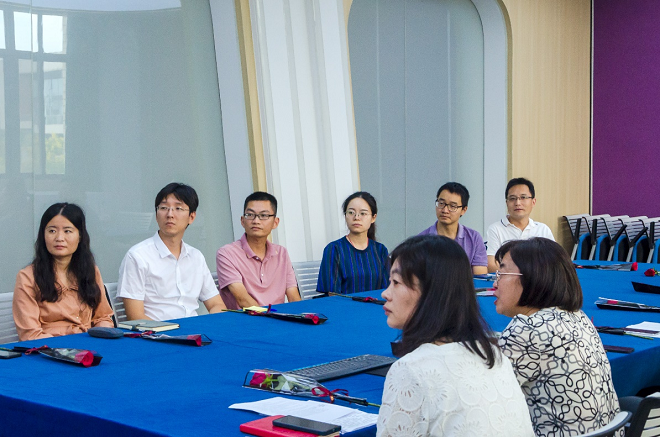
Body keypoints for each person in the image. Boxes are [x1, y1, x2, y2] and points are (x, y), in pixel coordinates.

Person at [377, 235, 533, 437]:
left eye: (396, 282)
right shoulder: (494, 355)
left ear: (432, 292)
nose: (385, 293)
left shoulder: (411, 369)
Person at [494, 238, 621, 436]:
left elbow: (485, 396)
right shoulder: (578, 316)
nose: (495, 283)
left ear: (531, 278)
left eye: (501, 273)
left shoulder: (528, 329)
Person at [117, 183, 226, 321]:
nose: (170, 214)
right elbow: (136, 316)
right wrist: (174, 332)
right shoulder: (138, 256)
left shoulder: (196, 257)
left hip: (195, 330)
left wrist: (213, 324)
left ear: (192, 217)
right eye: (163, 208)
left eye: (178, 208)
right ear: (156, 215)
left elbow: (216, 304)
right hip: (159, 332)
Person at [13, 203, 114, 341]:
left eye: (67, 231)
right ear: (43, 236)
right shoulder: (28, 277)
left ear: (80, 236)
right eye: (52, 231)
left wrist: (102, 337)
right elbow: (30, 335)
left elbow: (103, 318)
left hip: (89, 346)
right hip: (50, 348)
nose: (59, 238)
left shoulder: (90, 271)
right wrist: (70, 348)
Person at [216, 192, 301, 309]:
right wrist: (271, 317)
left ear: (275, 222)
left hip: (278, 317)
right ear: (242, 220)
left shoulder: (281, 253)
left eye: (264, 215)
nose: (256, 221)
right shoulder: (227, 253)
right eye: (250, 215)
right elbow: (243, 300)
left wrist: (303, 316)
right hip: (246, 318)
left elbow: (293, 296)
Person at [317, 191, 389, 294]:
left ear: (373, 218)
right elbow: (331, 293)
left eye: (363, 213)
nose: (356, 217)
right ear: (345, 216)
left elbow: (387, 289)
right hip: (344, 304)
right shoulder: (334, 249)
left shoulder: (380, 250)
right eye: (351, 212)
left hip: (376, 303)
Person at [486, 177, 554, 272]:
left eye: (523, 197)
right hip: (508, 279)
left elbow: (554, 261)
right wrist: (517, 276)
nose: (517, 203)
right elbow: (491, 264)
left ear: (533, 202)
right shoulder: (496, 229)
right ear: (507, 203)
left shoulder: (543, 229)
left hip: (538, 279)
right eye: (512, 198)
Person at [418, 182, 487, 274]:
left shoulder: (474, 238)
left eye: (452, 206)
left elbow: (480, 276)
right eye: (441, 203)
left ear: (463, 210)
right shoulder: (421, 241)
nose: (445, 210)